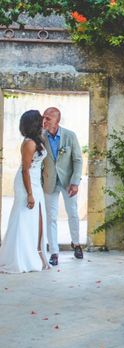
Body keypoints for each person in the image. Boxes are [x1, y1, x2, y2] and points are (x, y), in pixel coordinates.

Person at [0, 110, 50, 273]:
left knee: (39, 217)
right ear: (34, 122)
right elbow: (25, 170)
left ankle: (38, 253)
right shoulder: (29, 143)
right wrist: (29, 194)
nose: (43, 121)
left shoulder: (38, 139)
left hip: (35, 183)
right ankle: (20, 258)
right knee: (23, 218)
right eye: (40, 119)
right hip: (26, 184)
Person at [42, 107, 84, 265]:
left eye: (48, 118)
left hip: (68, 183)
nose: (45, 121)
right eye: (43, 117)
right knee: (51, 217)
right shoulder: (41, 136)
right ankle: (54, 252)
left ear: (57, 121)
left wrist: (75, 182)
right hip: (49, 182)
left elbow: (78, 160)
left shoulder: (70, 135)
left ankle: (77, 244)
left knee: (72, 213)